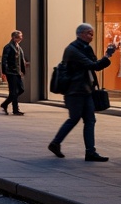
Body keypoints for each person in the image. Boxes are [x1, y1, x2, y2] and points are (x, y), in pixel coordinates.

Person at [48, 23, 116, 162]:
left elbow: (95, 64)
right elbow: (93, 65)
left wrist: (105, 57)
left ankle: (90, 152)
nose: (91, 36)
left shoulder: (86, 48)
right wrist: (107, 55)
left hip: (86, 90)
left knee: (90, 120)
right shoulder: (72, 50)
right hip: (74, 91)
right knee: (74, 118)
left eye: (92, 33)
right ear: (80, 34)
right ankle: (55, 143)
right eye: (88, 33)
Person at [0, 30, 28, 116]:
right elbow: (4, 60)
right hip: (11, 72)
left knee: (21, 89)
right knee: (14, 92)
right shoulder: (8, 47)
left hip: (17, 72)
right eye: (19, 37)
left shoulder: (18, 47)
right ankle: (15, 109)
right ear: (14, 38)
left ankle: (5, 104)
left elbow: (21, 60)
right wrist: (4, 71)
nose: (21, 38)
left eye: (21, 36)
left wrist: (22, 70)